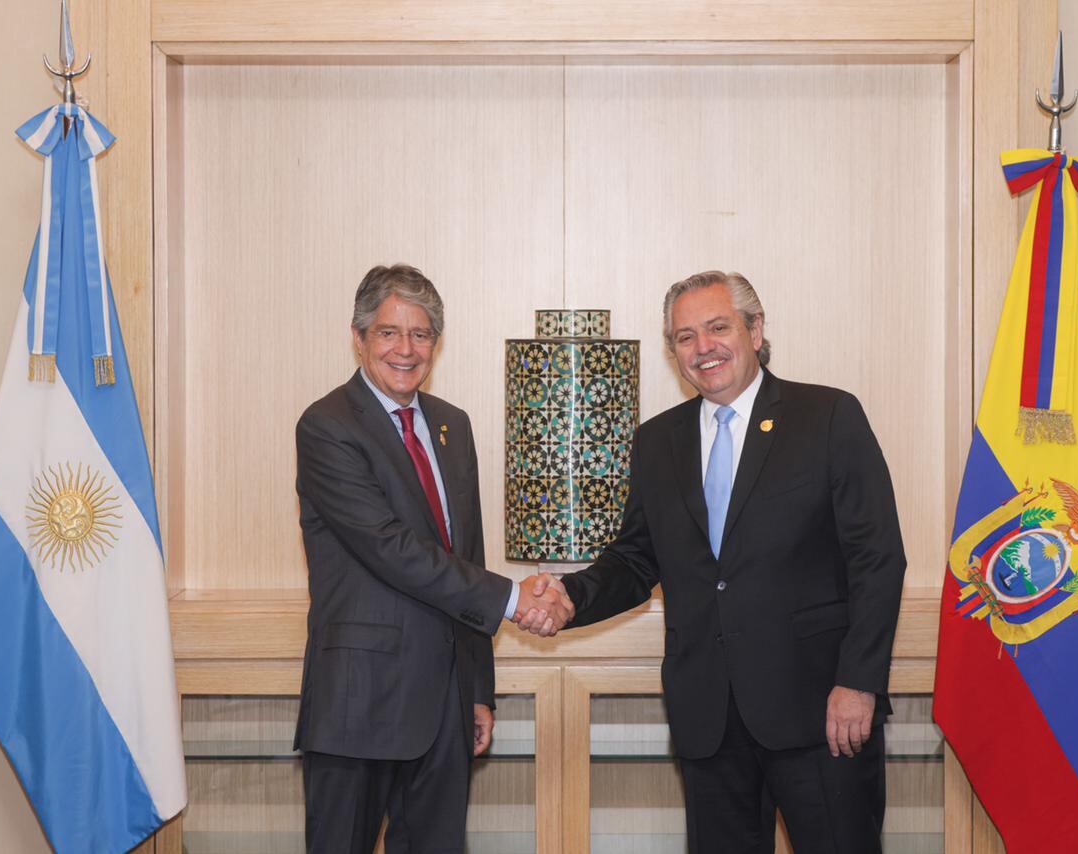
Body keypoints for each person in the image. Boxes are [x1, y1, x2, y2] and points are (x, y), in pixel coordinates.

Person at [520, 270, 906, 853]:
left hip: (821, 711)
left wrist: (858, 682)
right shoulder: (657, 441)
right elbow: (635, 559)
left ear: (755, 330)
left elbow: (878, 559)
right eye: (685, 336)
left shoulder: (827, 416)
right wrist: (570, 597)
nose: (703, 347)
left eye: (718, 327)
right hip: (709, 718)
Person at [294, 264, 572, 853]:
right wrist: (514, 598)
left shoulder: (451, 425)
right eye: (388, 332)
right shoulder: (327, 426)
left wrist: (477, 689)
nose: (405, 349)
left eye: (420, 334)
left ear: (435, 343)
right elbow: (390, 548)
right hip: (360, 702)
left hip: (445, 703)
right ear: (359, 336)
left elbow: (466, 553)